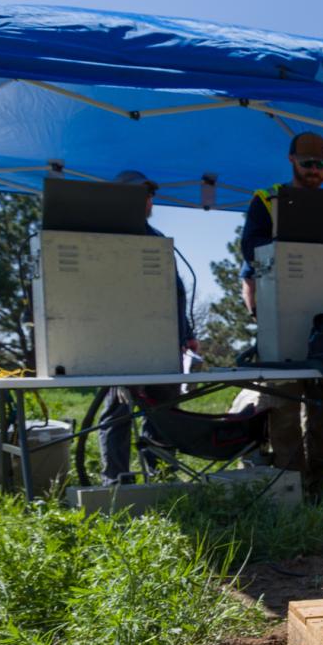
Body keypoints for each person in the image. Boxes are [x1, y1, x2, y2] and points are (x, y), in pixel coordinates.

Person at [238, 131, 323, 499]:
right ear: (292, 161)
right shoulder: (266, 200)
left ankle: (320, 484)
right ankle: (289, 487)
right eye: (308, 164)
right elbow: (251, 247)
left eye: (321, 166)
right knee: (283, 407)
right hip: (280, 320)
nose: (315, 172)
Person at [97, 170, 198, 484]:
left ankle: (163, 476)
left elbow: (174, 292)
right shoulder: (106, 237)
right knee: (119, 411)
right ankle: (116, 482)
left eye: (150, 194)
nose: (149, 200)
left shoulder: (155, 238)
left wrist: (188, 334)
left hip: (165, 344)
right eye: (142, 194)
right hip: (123, 344)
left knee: (164, 411)